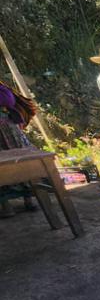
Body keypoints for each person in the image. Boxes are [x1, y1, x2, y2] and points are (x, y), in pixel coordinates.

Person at [0, 80, 37, 217]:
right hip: (8, 129)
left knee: (21, 161)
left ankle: (28, 200)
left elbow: (8, 100)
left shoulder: (2, 88)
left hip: (8, 130)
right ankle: (7, 206)